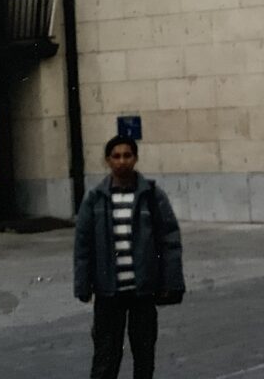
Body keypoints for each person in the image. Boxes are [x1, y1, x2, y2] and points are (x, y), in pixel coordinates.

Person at [74, 135, 185, 379]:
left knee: (144, 356)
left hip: (142, 292)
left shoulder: (152, 196)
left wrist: (172, 283)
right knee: (105, 356)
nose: (122, 161)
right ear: (107, 160)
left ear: (135, 158)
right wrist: (83, 285)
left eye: (127, 155)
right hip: (108, 292)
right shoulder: (94, 199)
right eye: (116, 156)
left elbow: (170, 241)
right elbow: (83, 246)